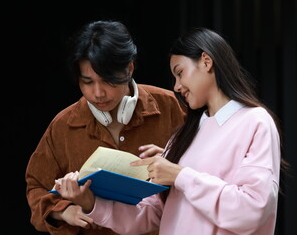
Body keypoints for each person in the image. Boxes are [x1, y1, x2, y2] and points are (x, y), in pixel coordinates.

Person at [55, 27, 287, 235]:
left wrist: (180, 175)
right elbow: (150, 214)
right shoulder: (183, 135)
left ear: (206, 61)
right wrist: (91, 203)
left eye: (180, 72)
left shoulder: (255, 122)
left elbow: (252, 211)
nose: (176, 86)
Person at [25, 20, 186, 235]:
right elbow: (36, 186)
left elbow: (209, 173)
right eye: (87, 82)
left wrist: (175, 166)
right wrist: (63, 212)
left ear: (129, 68)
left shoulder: (171, 107)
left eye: (108, 81)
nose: (98, 93)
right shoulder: (63, 126)